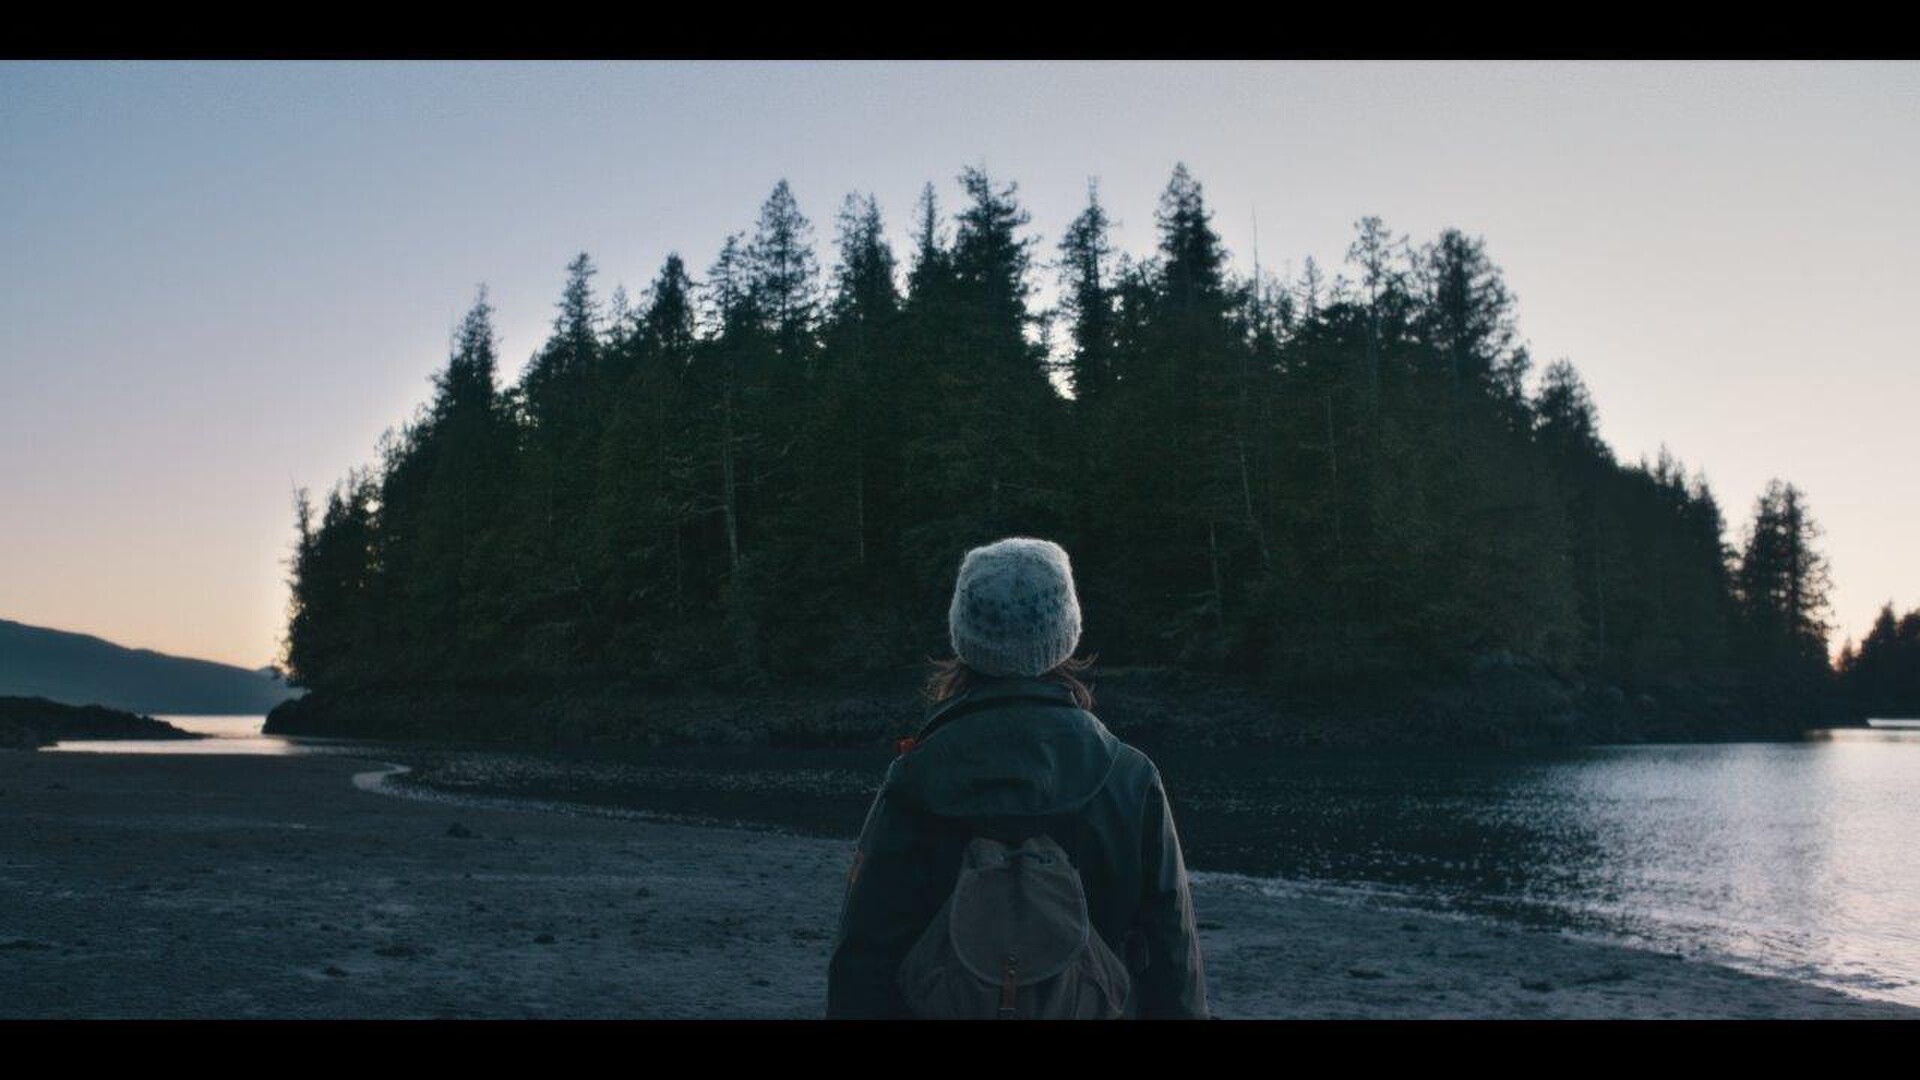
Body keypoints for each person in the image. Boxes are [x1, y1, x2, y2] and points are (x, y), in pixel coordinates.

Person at [826, 535, 1209, 1019]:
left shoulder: (913, 779)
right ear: (1066, 631)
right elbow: (1173, 957)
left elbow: (864, 957)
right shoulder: (1131, 778)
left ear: (963, 634)